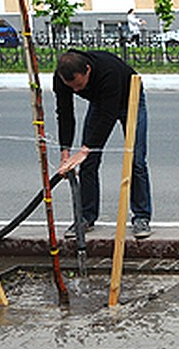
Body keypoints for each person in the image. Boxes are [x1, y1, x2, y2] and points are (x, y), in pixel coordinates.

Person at [54, 49, 153, 240]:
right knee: (88, 164)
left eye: (79, 85)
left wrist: (85, 149)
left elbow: (109, 115)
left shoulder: (109, 71)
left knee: (135, 161)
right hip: (100, 103)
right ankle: (86, 217)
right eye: (72, 87)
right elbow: (65, 114)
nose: (76, 90)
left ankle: (141, 216)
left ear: (88, 70)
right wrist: (65, 153)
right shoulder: (61, 77)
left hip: (129, 99)